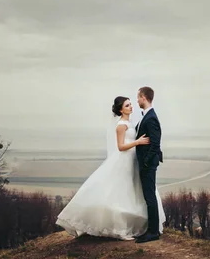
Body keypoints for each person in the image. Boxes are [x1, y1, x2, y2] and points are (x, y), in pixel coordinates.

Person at [55, 96, 165, 240]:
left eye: (131, 104)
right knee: (122, 191)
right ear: (121, 110)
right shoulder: (121, 125)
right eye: (127, 105)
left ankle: (141, 225)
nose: (131, 107)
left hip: (133, 159)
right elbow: (120, 147)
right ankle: (120, 227)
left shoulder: (130, 123)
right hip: (125, 159)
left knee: (134, 190)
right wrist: (137, 142)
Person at [134, 86, 163, 243]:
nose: (137, 100)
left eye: (138, 97)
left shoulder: (151, 117)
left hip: (148, 165)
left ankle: (153, 232)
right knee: (148, 197)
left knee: (150, 197)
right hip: (147, 164)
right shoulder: (147, 116)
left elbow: (155, 145)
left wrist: (145, 164)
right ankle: (151, 230)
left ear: (144, 97)